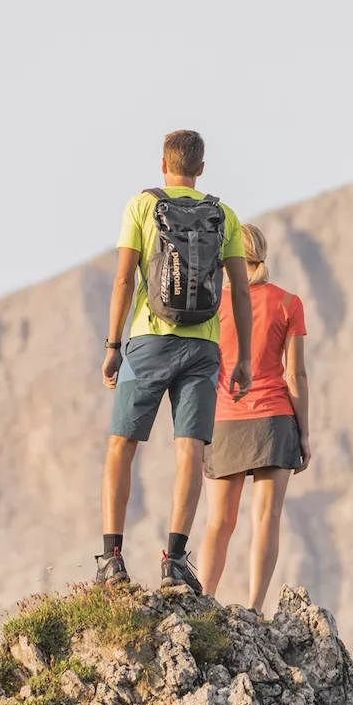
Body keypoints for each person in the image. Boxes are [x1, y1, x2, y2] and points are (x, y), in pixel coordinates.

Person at [97, 129, 253, 593]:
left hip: (148, 340)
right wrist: (242, 356)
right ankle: (175, 560)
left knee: (121, 445)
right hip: (204, 348)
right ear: (201, 168)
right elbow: (241, 290)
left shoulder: (142, 206)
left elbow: (124, 280)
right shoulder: (223, 213)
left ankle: (112, 559)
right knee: (189, 449)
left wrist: (112, 347)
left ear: (163, 165)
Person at [198, 224, 312, 612]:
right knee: (266, 518)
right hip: (275, 421)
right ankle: (254, 608)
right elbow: (295, 375)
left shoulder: (213, 304)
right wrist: (305, 433)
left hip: (224, 420)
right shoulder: (287, 303)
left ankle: (202, 602)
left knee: (219, 522)